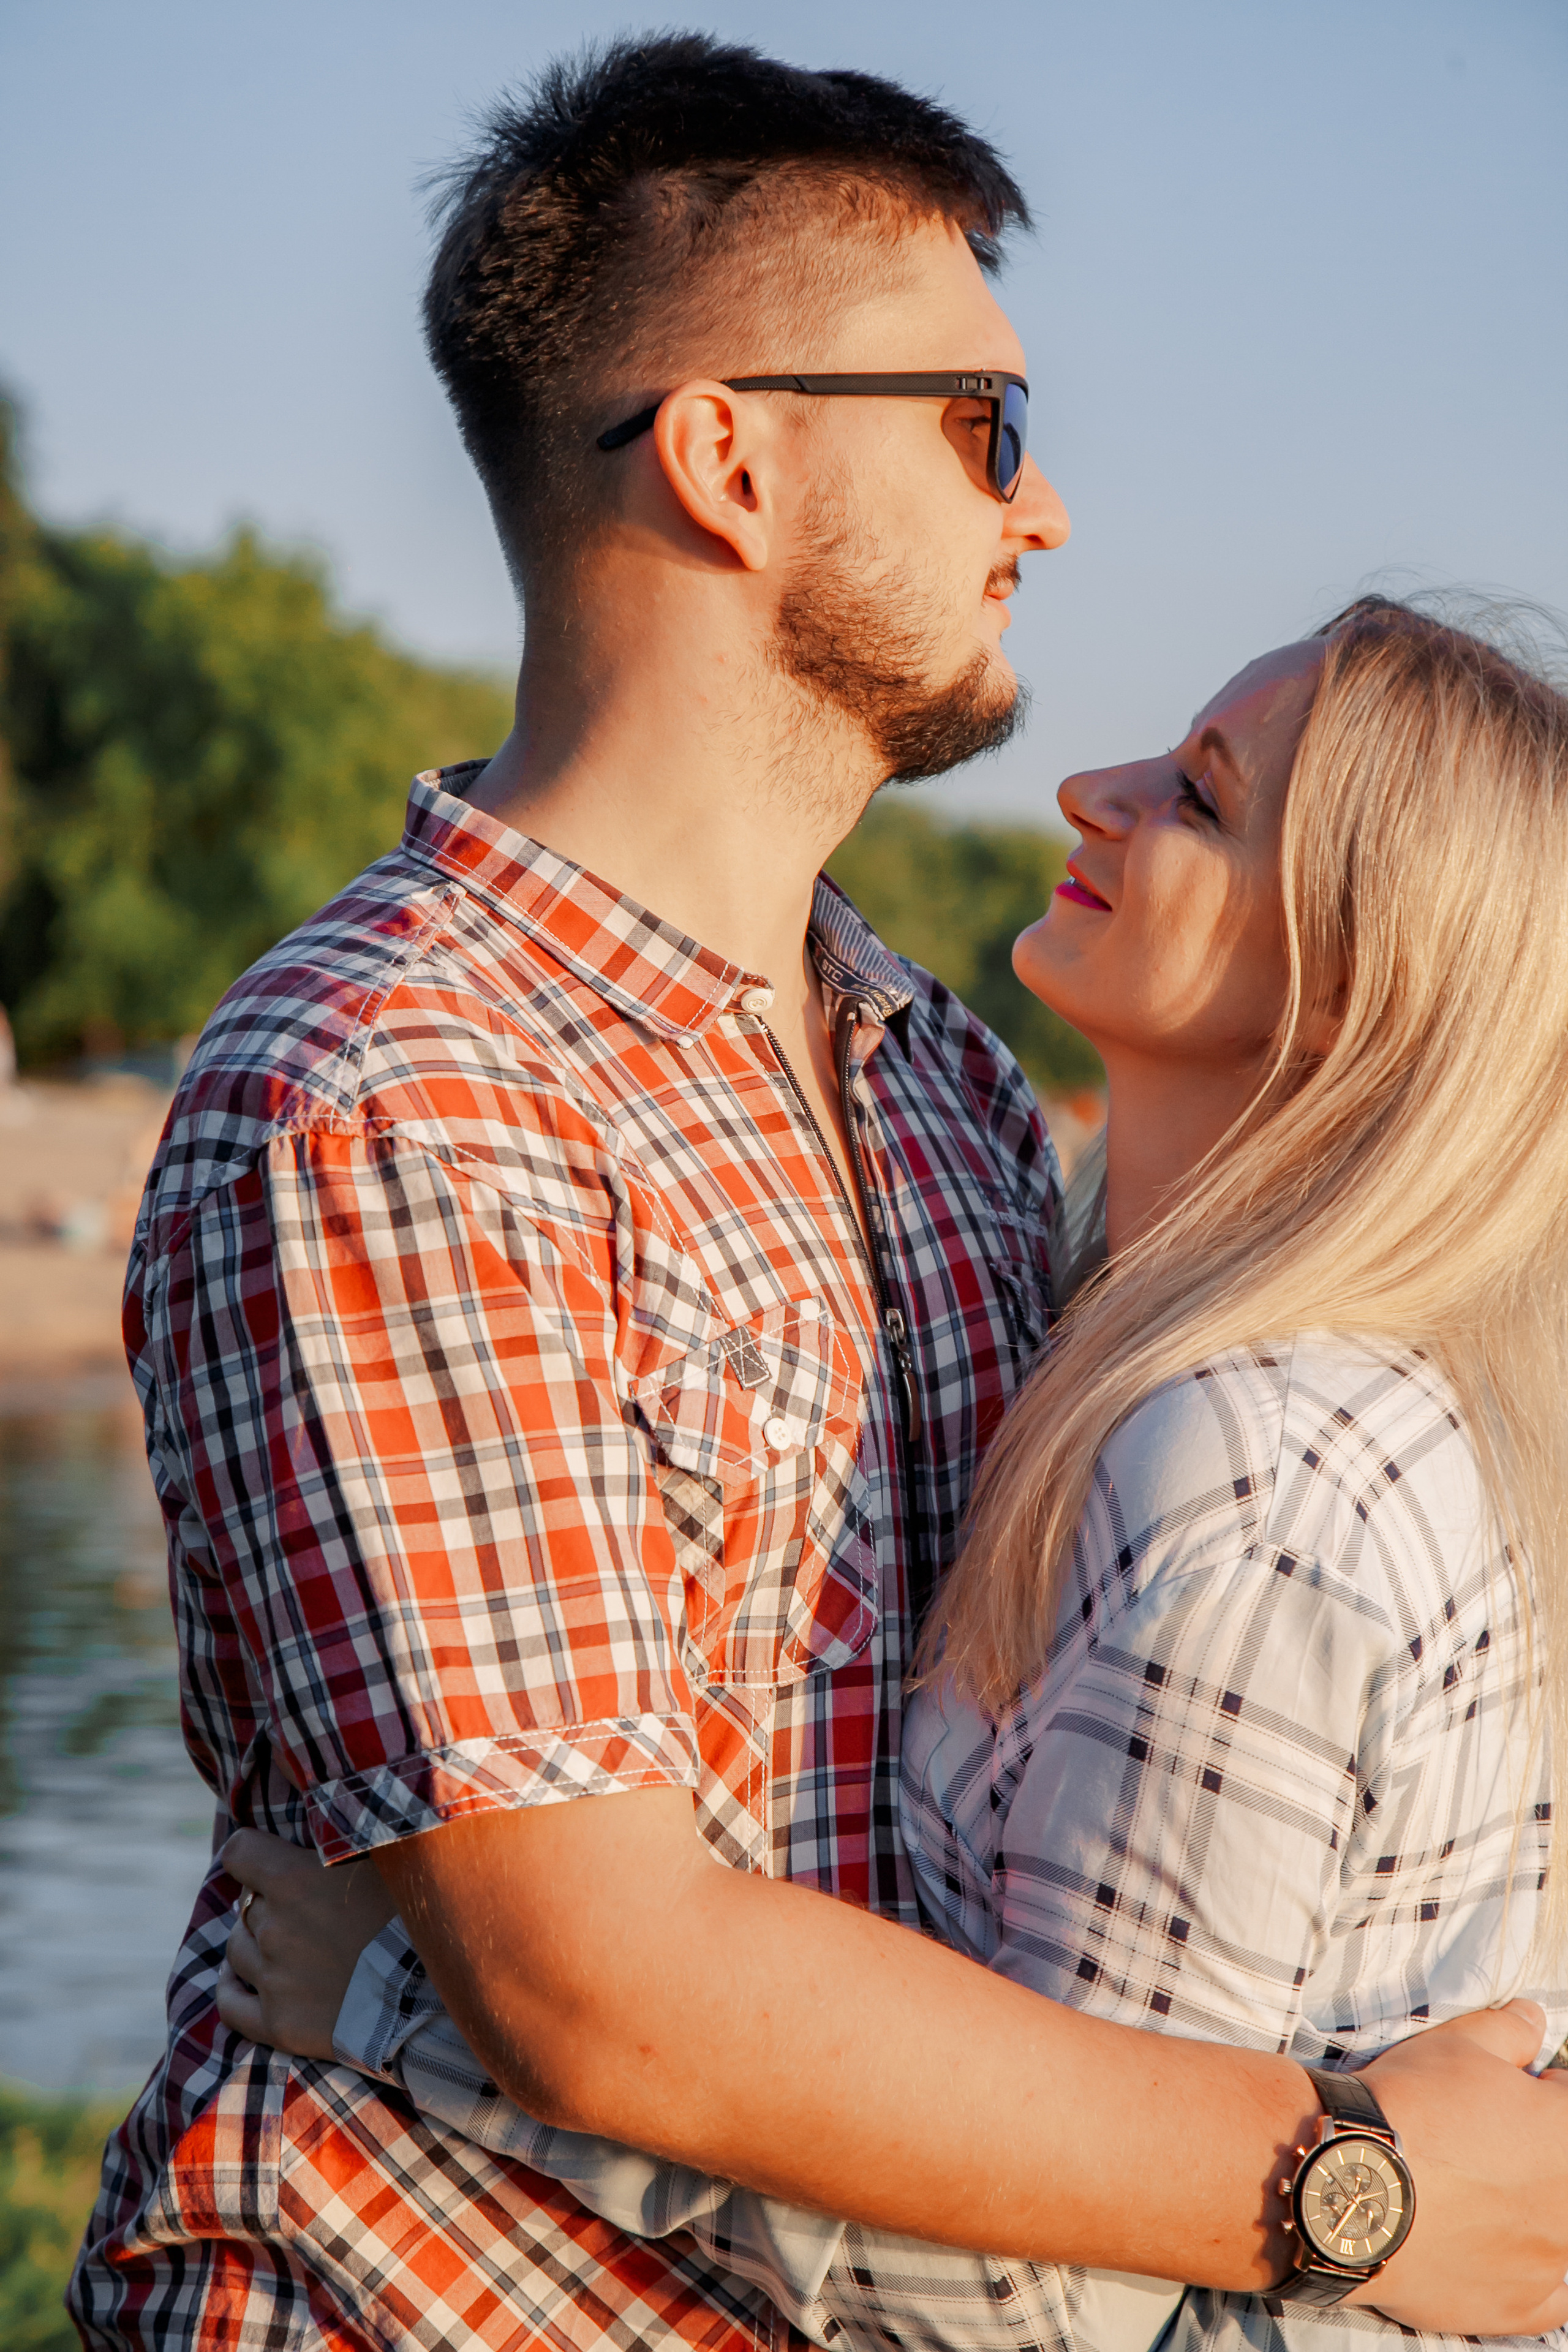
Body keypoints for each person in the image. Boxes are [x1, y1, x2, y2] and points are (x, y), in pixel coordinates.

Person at [70, 32, 1568, 2352]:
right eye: (982, 422)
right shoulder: (397, 1094)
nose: (1041, 511)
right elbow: (603, 1991)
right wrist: (1344, 2190)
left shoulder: (943, 1084)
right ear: (730, 459)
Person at [218, 603, 1568, 2352]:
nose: (1092, 790)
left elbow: (1061, 2289)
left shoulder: (1254, 1471)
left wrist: (405, 2006)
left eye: (1201, 799)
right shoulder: (1090, 1281)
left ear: (1354, 986)